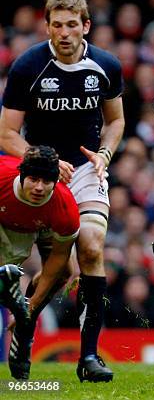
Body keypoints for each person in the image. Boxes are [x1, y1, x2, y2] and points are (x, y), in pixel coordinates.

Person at [0, 0, 125, 382]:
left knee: (90, 248)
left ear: (86, 25)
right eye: (57, 25)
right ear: (48, 26)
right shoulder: (27, 66)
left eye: (72, 25)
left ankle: (88, 357)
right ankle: (27, 319)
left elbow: (116, 121)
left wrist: (104, 156)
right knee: (59, 271)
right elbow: (6, 133)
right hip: (37, 170)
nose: (65, 32)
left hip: (87, 170)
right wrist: (43, 162)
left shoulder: (106, 65)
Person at [0, 146, 80, 379]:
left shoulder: (65, 207)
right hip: (5, 222)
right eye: (33, 179)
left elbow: (57, 259)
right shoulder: (3, 178)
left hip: (40, 224)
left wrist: (30, 308)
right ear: (21, 175)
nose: (38, 187)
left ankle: (24, 330)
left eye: (46, 181)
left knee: (66, 272)